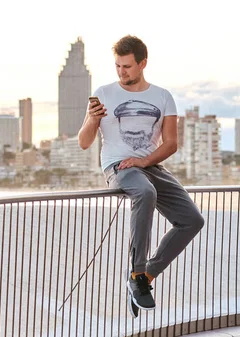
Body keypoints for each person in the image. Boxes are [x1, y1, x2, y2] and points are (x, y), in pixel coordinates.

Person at [77, 35, 204, 317]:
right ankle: (136, 274)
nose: (122, 73)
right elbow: (84, 142)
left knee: (193, 220)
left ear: (142, 63)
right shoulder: (104, 93)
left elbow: (171, 143)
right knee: (144, 192)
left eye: (127, 67)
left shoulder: (162, 97)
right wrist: (92, 119)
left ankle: (147, 275)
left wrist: (145, 160)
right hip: (118, 167)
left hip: (151, 166)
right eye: (118, 66)